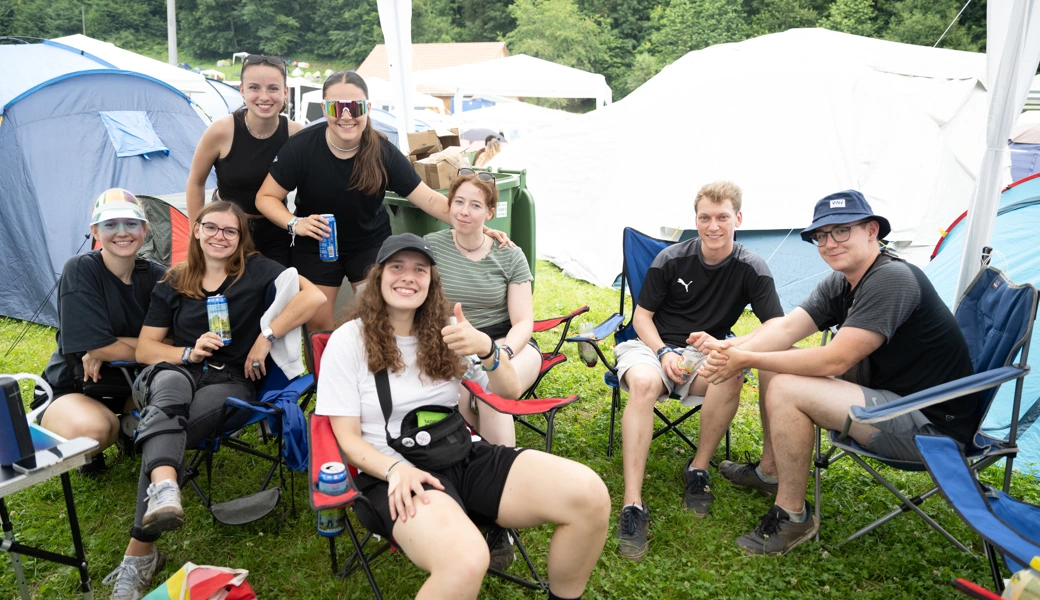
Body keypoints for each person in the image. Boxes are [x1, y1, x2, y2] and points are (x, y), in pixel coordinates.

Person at [316, 233, 610, 600]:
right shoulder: (349, 342)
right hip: (395, 475)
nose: (408, 276)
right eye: (397, 267)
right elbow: (347, 439)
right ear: (378, 277)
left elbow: (508, 390)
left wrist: (489, 349)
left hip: (462, 454)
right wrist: (395, 470)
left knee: (589, 495)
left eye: (419, 270)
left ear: (431, 282)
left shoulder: (446, 334)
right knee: (468, 559)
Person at [698, 190, 982, 556]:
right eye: (822, 235)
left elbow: (835, 362)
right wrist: (733, 348)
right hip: (887, 399)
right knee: (774, 356)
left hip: (930, 424)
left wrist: (746, 359)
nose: (829, 243)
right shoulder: (843, 280)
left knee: (785, 386)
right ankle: (770, 473)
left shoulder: (892, 279)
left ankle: (793, 517)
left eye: (842, 231)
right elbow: (784, 330)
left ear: (872, 231)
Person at [103, 201, 325, 600]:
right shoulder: (173, 281)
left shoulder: (257, 270)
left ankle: (142, 546)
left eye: (230, 231)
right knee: (169, 389)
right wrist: (188, 351)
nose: (220, 237)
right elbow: (146, 350)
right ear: (198, 231)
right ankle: (163, 495)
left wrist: (265, 336)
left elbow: (315, 300)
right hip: (177, 370)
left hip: (231, 381)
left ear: (241, 238)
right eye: (211, 228)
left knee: (164, 428)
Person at [255, 71, 511, 333]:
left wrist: (475, 225)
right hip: (317, 244)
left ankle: (374, 371)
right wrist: (294, 223)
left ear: (368, 108)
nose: (345, 115)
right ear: (324, 108)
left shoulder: (382, 151)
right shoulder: (302, 147)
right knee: (318, 327)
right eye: (336, 107)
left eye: (355, 107)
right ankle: (325, 373)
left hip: (368, 244)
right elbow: (265, 197)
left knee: (379, 321)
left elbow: (430, 200)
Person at [614, 180, 784, 561]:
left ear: (738, 218)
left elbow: (777, 326)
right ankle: (633, 504)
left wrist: (728, 346)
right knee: (642, 384)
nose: (713, 226)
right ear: (695, 219)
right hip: (651, 346)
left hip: (707, 352)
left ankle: (699, 468)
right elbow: (642, 317)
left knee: (732, 370)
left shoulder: (752, 268)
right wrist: (661, 353)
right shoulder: (672, 259)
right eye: (705, 217)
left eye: (722, 217)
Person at [35, 189, 168, 473]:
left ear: (144, 229)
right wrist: (103, 347)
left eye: (131, 223)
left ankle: (126, 428)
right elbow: (100, 347)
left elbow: (180, 340)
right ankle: (102, 436)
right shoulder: (81, 269)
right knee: (94, 432)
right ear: (95, 230)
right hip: (75, 387)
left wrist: (108, 344)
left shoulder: (158, 276)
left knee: (181, 406)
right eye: (110, 224)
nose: (122, 232)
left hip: (135, 384)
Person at [423, 170, 538, 446]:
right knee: (456, 399)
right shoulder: (431, 246)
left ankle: (502, 474)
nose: (464, 211)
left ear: (489, 213)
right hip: (453, 341)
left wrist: (503, 353)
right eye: (458, 202)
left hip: (506, 341)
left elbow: (523, 321)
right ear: (449, 205)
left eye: (475, 205)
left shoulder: (509, 253)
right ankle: (473, 467)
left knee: (492, 392)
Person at [185, 54, 303, 266]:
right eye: (254, 87)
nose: (264, 96)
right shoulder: (222, 131)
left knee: (276, 294)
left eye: (273, 88)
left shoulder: (296, 135)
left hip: (275, 231)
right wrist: (197, 233)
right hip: (225, 229)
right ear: (242, 90)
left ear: (285, 92)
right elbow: (195, 182)